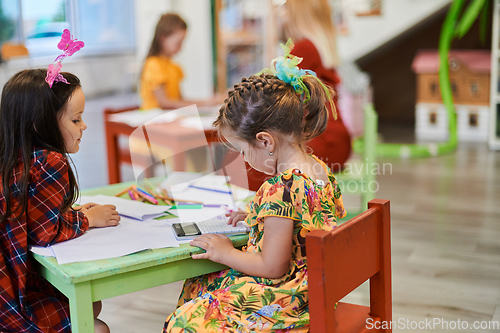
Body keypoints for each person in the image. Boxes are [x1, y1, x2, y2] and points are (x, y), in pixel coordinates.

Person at [162, 43, 346, 332]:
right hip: (319, 291)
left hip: (289, 301)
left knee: (185, 321)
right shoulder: (318, 169)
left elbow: (273, 267)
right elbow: (302, 228)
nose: (245, 159)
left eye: (242, 150)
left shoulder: (281, 187)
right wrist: (256, 217)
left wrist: (225, 252)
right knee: (200, 285)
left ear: (265, 141)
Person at [0, 69, 120, 333]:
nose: (84, 126)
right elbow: (44, 233)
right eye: (76, 119)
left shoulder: (11, 154)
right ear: (39, 123)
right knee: (97, 326)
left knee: (91, 305)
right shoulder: (49, 161)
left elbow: (31, 220)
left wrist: (69, 214)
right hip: (11, 304)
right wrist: (87, 219)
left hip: (8, 286)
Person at [140, 13, 221, 110]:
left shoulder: (174, 66)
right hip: (154, 118)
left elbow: (179, 101)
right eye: (178, 43)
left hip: (170, 116)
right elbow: (164, 103)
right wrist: (205, 103)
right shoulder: (153, 64)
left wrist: (208, 102)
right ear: (162, 38)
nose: (181, 47)